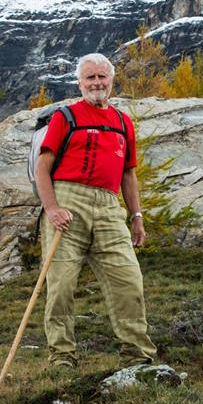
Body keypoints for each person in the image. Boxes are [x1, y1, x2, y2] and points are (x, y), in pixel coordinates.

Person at [34, 52, 156, 370]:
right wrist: (52, 208)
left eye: (102, 76)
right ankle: (62, 357)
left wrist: (137, 217)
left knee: (129, 279)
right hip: (67, 201)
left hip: (109, 205)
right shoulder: (66, 117)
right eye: (90, 77)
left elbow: (129, 174)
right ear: (80, 82)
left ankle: (138, 355)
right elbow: (42, 167)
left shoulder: (122, 122)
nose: (97, 82)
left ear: (112, 80)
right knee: (60, 285)